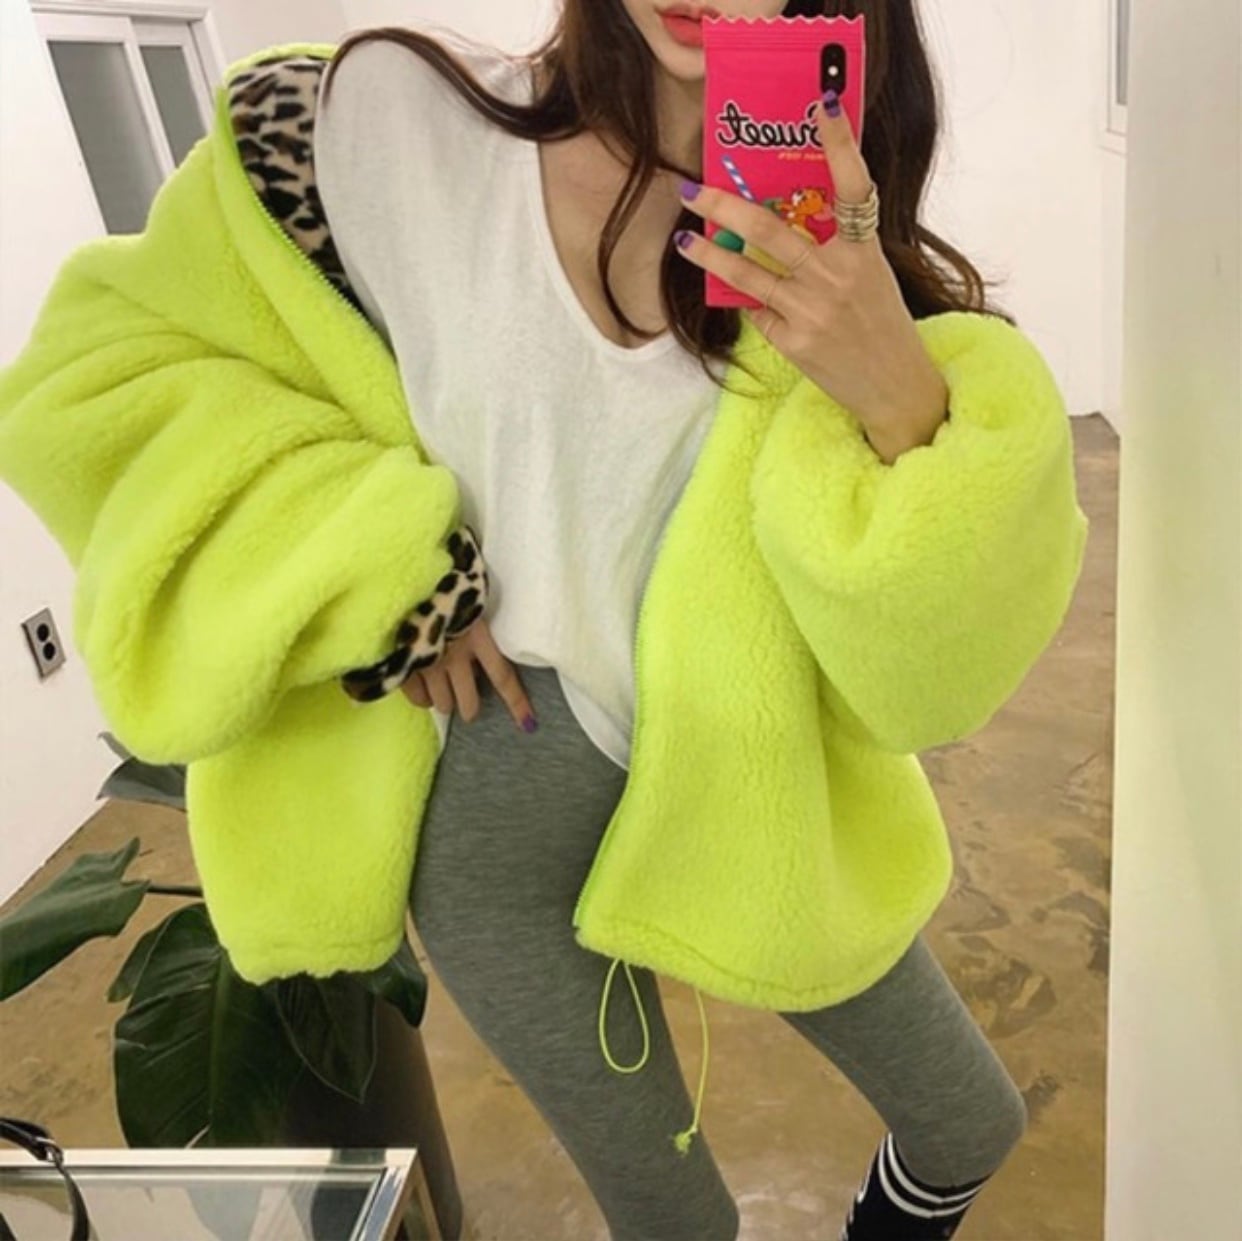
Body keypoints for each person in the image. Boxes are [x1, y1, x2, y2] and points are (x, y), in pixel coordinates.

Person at [0, 2, 1089, 1238]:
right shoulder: (383, 123)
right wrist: (384, 568)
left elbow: (931, 684)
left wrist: (894, 386)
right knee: (678, 1220)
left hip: (746, 779)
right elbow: (103, 381)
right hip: (495, 822)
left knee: (968, 1120)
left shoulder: (827, 236)